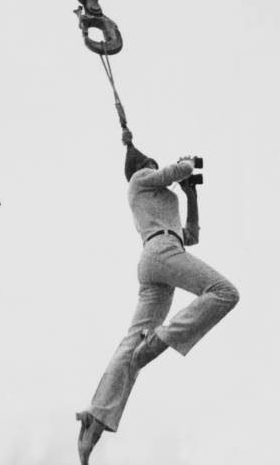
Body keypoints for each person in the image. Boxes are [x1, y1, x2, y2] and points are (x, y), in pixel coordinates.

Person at [76, 137, 239, 464]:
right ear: (142, 167)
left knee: (131, 344)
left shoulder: (162, 197)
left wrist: (191, 195)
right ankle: (164, 337)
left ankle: (95, 418)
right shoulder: (138, 181)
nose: (156, 166)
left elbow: (190, 235)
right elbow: (174, 170)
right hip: (160, 252)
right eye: (153, 163)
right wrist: (188, 163)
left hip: (162, 256)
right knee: (224, 293)